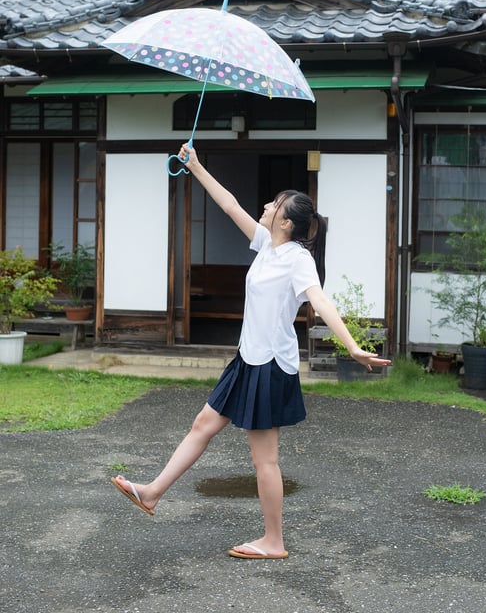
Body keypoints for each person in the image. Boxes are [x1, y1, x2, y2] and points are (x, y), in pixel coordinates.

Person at [111, 143, 391, 560]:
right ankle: (152, 492)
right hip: (248, 360)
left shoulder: (298, 259)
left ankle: (273, 541)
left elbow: (322, 302)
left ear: (287, 222)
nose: (265, 205)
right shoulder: (267, 244)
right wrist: (197, 167)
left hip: (271, 368)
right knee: (202, 425)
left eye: (274, 204)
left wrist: (352, 346)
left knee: (265, 460)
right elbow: (228, 205)